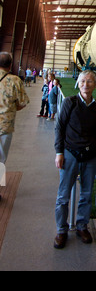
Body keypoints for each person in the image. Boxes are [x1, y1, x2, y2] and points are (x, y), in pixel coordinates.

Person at [54, 70, 96, 249]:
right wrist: (59, 152)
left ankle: (82, 226)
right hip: (70, 154)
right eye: (82, 81)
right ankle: (61, 229)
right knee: (63, 195)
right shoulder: (70, 102)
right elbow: (59, 128)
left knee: (87, 194)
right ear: (78, 83)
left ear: (95, 85)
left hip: (89, 156)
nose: (86, 84)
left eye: (90, 81)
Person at [0, 52, 30, 201]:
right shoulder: (15, 80)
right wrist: (11, 108)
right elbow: (23, 102)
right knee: (0, 158)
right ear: (11, 64)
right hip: (5, 125)